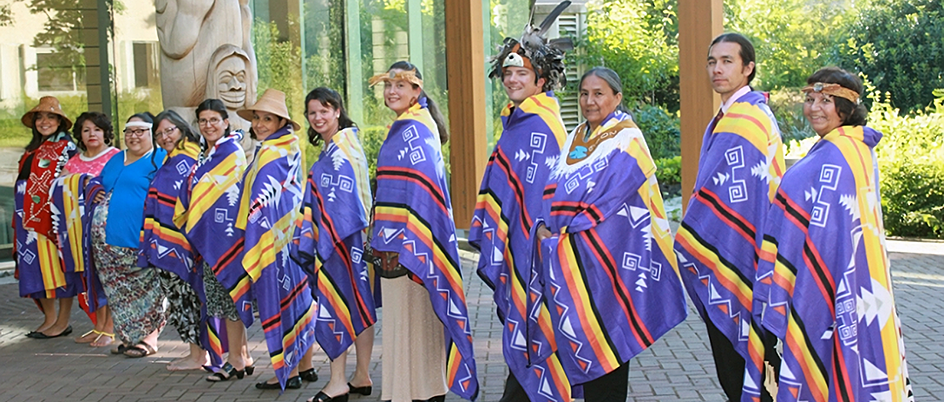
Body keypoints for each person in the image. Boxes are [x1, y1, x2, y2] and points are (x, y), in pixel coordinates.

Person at [754, 67, 913, 401]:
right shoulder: (851, 148)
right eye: (810, 98)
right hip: (855, 282)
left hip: (826, 279)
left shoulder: (840, 154)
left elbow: (827, 232)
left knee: (831, 356)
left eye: (826, 100)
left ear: (846, 108)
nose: (814, 108)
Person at [532, 67, 688, 402]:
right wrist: (545, 225)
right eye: (585, 93)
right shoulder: (577, 137)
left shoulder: (628, 138)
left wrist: (563, 229)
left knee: (610, 345)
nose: (590, 101)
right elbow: (553, 188)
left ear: (616, 98)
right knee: (580, 344)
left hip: (612, 260)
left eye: (599, 93)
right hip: (572, 259)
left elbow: (610, 197)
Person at [673, 32, 785, 402]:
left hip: (738, 252)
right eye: (712, 61)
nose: (717, 69)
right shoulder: (737, 113)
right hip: (742, 249)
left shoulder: (744, 119)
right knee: (745, 366)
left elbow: (731, 199)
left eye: (727, 61)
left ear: (748, 68)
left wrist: (691, 236)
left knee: (741, 367)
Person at [469, 6, 572, 399]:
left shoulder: (541, 125)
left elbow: (540, 196)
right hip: (519, 243)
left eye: (522, 73)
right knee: (525, 333)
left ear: (540, 80)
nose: (513, 79)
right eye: (508, 73)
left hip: (534, 247)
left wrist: (531, 241)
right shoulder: (517, 119)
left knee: (535, 326)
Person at [368, 61, 478, 402]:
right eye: (388, 85)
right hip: (399, 241)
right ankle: (419, 389)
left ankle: (415, 392)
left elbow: (422, 189)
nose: (392, 91)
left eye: (400, 85)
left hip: (410, 241)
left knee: (414, 320)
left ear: (417, 91)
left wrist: (409, 236)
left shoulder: (415, 129)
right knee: (411, 320)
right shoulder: (407, 126)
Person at [292, 87, 377, 402]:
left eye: (323, 111)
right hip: (353, 237)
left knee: (336, 303)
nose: (317, 117)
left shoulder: (339, 149)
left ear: (337, 111)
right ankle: (361, 375)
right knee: (358, 303)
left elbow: (339, 199)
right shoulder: (344, 144)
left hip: (340, 240)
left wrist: (325, 237)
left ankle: (338, 381)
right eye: (312, 112)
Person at [231, 88, 317, 391]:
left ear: (281, 122)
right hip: (293, 235)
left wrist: (252, 235)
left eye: (268, 119)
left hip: (273, 239)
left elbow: (260, 201)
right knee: (299, 298)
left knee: (278, 302)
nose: (260, 124)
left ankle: (287, 370)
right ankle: (305, 365)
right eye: (257, 118)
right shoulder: (289, 146)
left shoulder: (271, 151)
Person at [174, 99, 254, 381]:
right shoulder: (206, 153)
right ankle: (242, 355)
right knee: (224, 298)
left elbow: (219, 190)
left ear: (226, 122)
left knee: (228, 295)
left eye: (214, 120)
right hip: (210, 235)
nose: (209, 126)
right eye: (204, 121)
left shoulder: (230, 151)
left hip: (226, 236)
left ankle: (234, 360)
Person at [138, 110, 211, 371]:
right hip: (170, 242)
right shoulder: (173, 159)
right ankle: (198, 351)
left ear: (181, 128)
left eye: (169, 130)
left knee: (188, 298)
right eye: (159, 133)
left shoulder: (185, 159)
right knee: (185, 300)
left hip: (182, 244)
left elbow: (183, 202)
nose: (164, 137)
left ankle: (198, 355)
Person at [93, 113, 168, 358]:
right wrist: (92, 188)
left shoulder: (159, 158)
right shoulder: (115, 158)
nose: (133, 136)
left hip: (139, 239)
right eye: (129, 131)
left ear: (152, 133)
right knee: (119, 291)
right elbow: (98, 181)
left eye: (140, 131)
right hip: (106, 244)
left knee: (149, 289)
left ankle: (149, 338)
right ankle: (128, 337)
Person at [14, 96, 78, 339]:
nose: (44, 121)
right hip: (25, 218)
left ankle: (62, 321)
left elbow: (69, 180)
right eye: (40, 117)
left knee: (57, 268)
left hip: (50, 218)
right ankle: (49, 318)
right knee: (34, 268)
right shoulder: (33, 148)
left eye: (50, 117)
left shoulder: (66, 148)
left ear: (60, 122)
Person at [58, 111, 120, 347]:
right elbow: (58, 189)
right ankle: (98, 326)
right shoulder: (73, 162)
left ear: (105, 133)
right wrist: (79, 182)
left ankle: (110, 328)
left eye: (97, 129)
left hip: (107, 228)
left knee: (108, 277)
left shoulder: (116, 157)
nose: (92, 134)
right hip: (78, 232)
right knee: (91, 279)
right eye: (86, 130)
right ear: (80, 136)